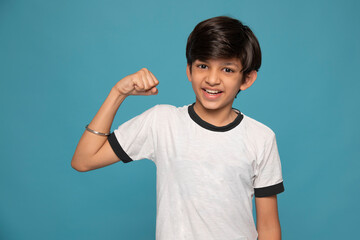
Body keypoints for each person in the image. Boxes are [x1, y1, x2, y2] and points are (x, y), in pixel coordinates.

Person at [72, 16, 285, 240]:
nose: (212, 79)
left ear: (247, 79)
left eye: (227, 70)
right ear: (189, 71)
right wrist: (118, 93)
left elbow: (269, 228)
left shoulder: (261, 137)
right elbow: (83, 160)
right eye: (203, 66)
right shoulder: (162, 122)